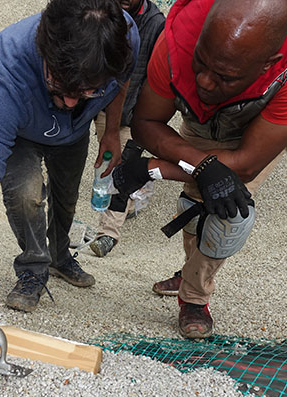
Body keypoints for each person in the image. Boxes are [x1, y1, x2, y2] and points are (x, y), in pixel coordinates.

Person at [110, 0, 287, 338]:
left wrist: (153, 168)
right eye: (201, 62)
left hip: (255, 133)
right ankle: (191, 270)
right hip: (199, 121)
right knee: (196, 203)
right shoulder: (179, 36)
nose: (206, 82)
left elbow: (245, 165)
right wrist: (201, 165)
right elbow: (146, 122)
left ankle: (194, 297)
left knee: (228, 212)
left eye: (225, 76)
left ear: (269, 64)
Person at [0, 0, 139, 343]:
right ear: (43, 48)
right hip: (19, 133)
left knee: (67, 198)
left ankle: (60, 256)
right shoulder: (9, 63)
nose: (70, 102)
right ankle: (33, 269)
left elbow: (120, 80)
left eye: (87, 90)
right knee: (26, 195)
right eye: (60, 87)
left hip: (74, 135)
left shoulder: (123, 38)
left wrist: (111, 128)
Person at [87, 0, 166, 258]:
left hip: (132, 111)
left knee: (116, 167)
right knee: (105, 163)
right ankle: (130, 204)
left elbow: (159, 74)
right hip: (95, 101)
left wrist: (148, 116)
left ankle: (107, 234)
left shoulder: (155, 23)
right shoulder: (99, 9)